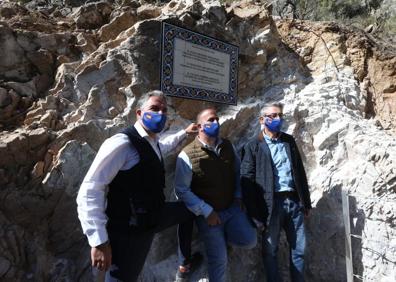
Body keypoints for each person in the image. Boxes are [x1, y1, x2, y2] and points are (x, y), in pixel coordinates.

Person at [76, 90, 200, 282]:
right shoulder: (122, 143)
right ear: (139, 113)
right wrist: (99, 241)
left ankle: (185, 263)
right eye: (154, 108)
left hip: (154, 216)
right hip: (130, 232)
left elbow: (163, 147)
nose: (160, 114)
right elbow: (91, 188)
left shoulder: (153, 141)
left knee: (192, 209)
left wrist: (184, 133)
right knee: (123, 277)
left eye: (164, 110)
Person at [175, 107, 257, 282]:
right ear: (199, 127)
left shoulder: (227, 145)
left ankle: (223, 238)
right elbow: (181, 190)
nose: (216, 123)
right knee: (219, 261)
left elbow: (237, 171)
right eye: (210, 120)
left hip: (232, 208)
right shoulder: (187, 155)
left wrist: (238, 195)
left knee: (250, 240)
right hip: (209, 217)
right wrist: (206, 211)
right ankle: (217, 242)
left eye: (217, 119)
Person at [241, 103, 312, 282]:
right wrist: (255, 213)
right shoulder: (253, 146)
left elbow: (299, 172)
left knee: (300, 250)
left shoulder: (289, 141)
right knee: (270, 250)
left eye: (280, 115)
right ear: (262, 119)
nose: (277, 119)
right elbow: (246, 181)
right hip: (270, 205)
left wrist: (306, 202)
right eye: (272, 116)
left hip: (294, 202)